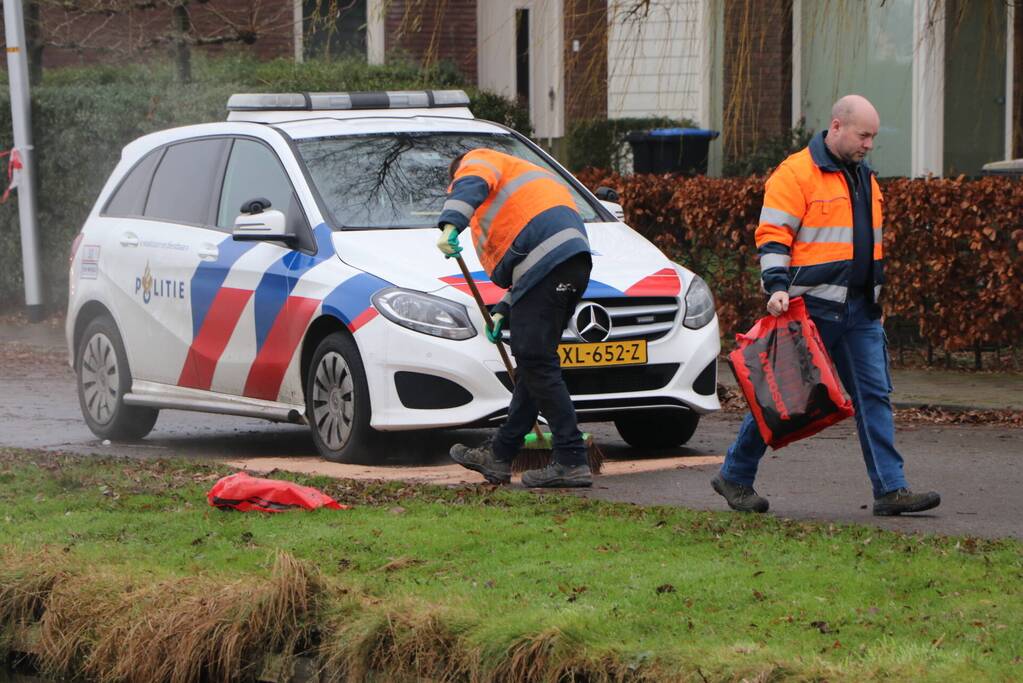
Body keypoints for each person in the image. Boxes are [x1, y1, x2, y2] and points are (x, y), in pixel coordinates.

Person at [712, 95, 941, 517]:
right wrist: (776, 285)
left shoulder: (864, 179)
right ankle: (735, 475)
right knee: (785, 398)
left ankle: (891, 490)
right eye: (863, 135)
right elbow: (774, 235)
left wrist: (874, 298)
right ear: (837, 127)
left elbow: (867, 248)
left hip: (859, 312)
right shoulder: (796, 174)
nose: (869, 144)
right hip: (810, 311)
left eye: (873, 136)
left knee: (874, 396)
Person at [436, 148, 594, 488]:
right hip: (566, 263)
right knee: (533, 366)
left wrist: (451, 226)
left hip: (549, 264)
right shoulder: (521, 181)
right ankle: (501, 454)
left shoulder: (477, 160)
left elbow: (471, 183)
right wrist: (505, 307)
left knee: (535, 360)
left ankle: (571, 459)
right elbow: (532, 255)